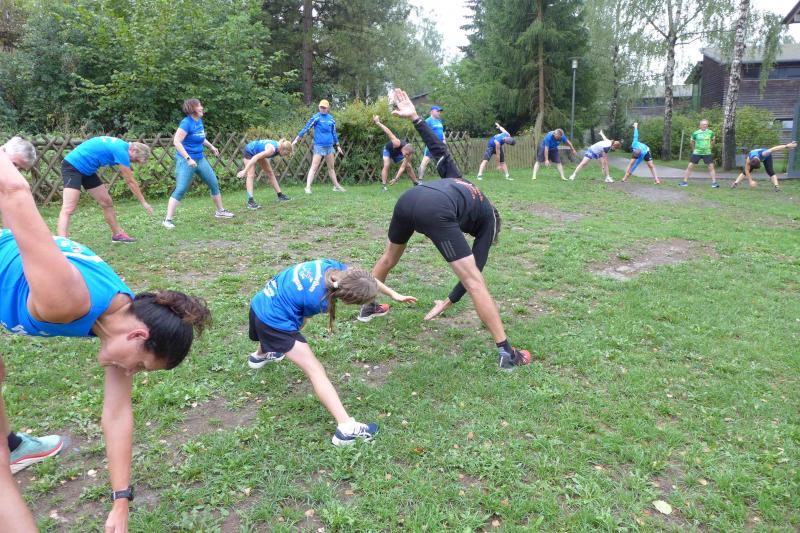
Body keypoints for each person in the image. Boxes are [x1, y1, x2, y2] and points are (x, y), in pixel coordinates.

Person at [0, 150, 211, 532]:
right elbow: (13, 189)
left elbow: (117, 415)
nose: (130, 372)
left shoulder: (121, 314)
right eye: (140, 365)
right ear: (138, 335)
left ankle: (13, 445)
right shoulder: (68, 300)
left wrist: (121, 501)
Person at [358, 88, 532, 371]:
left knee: (389, 257)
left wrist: (416, 118)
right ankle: (507, 354)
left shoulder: (460, 180)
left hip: (409, 198)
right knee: (476, 282)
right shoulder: (489, 221)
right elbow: (473, 277)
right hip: (436, 209)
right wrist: (448, 302)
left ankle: (368, 306)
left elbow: (439, 149)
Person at [247, 259, 415, 445]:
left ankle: (260, 355)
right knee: (315, 370)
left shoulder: (332, 267)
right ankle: (346, 428)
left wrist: (393, 294)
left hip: (261, 302)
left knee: (287, 330)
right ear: (347, 300)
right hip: (272, 321)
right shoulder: (319, 300)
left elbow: (367, 279)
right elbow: (301, 320)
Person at [58, 136, 153, 243]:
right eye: (135, 160)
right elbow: (130, 181)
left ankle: (117, 235)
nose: (132, 162)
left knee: (107, 202)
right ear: (133, 150)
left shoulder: (121, 146)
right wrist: (143, 202)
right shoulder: (121, 150)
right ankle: (62, 243)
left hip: (88, 171)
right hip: (73, 167)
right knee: (69, 207)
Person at [163, 98, 234, 230]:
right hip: (186, 161)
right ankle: (167, 220)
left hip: (200, 159)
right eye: (199, 106)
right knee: (181, 189)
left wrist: (211, 146)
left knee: (214, 183)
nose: (202, 108)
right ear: (192, 109)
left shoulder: (198, 121)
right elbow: (176, 142)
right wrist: (188, 159)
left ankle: (220, 211)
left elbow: (201, 137)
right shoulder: (186, 123)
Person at [293, 99, 346, 194]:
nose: (322, 109)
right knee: (314, 167)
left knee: (331, 168)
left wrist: (338, 145)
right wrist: (297, 139)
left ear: (328, 108)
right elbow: (306, 128)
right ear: (319, 107)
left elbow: (334, 133)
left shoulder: (331, 119)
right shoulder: (316, 117)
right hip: (319, 146)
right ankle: (307, 187)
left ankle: (336, 186)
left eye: (324, 107)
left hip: (329, 147)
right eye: (321, 107)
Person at [237, 139, 293, 209]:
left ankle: (280, 195)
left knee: (270, 173)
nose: (285, 155)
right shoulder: (271, 150)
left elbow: (259, 154)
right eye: (285, 154)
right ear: (282, 149)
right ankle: (250, 201)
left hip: (258, 152)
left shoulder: (280, 146)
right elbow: (255, 157)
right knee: (251, 175)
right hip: (250, 151)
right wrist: (244, 170)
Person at [373, 115, 418, 191]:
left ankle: (415, 182)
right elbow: (388, 132)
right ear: (405, 149)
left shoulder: (408, 153)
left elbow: (402, 167)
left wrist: (396, 179)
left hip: (397, 154)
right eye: (406, 154)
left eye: (408, 155)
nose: (406, 156)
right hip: (388, 150)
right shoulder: (397, 143)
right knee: (386, 165)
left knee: (408, 166)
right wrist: (378, 123)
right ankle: (384, 186)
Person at [731, 142, 798, 191]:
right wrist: (750, 181)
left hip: (767, 157)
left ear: (759, 160)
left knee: (770, 171)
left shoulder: (764, 153)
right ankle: (735, 183)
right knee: (745, 172)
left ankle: (777, 187)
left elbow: (774, 149)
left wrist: (786, 146)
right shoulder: (749, 159)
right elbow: (746, 170)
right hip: (755, 158)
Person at [681, 119, 718, 188]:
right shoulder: (695, 133)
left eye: (706, 124)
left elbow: (713, 139)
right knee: (690, 166)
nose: (705, 125)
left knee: (711, 167)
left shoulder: (710, 132)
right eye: (703, 124)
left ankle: (714, 183)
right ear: (700, 125)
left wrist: (711, 147)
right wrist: (693, 149)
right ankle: (684, 182)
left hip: (707, 152)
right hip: (697, 152)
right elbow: (691, 141)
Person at [417, 105, 445, 180]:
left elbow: (442, 131)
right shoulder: (428, 121)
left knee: (443, 160)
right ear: (432, 112)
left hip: (440, 144)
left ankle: (445, 178)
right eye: (437, 111)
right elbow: (424, 132)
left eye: (439, 111)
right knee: (425, 161)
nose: (439, 113)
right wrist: (429, 141)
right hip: (432, 144)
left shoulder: (439, 120)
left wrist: (444, 139)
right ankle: (420, 179)